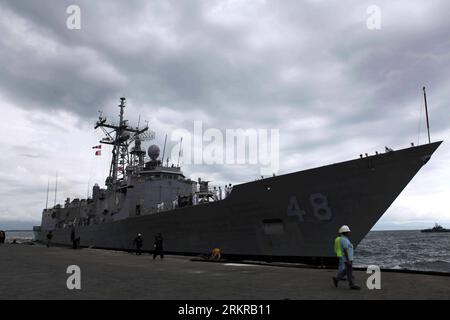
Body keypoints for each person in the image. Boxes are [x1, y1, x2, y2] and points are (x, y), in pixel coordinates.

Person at [333, 225, 360, 290]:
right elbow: (345, 250)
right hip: (348, 259)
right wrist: (348, 260)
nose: (349, 233)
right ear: (345, 232)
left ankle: (336, 279)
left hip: (349, 258)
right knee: (349, 271)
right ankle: (351, 285)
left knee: (346, 270)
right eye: (348, 231)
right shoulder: (344, 240)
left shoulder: (345, 239)